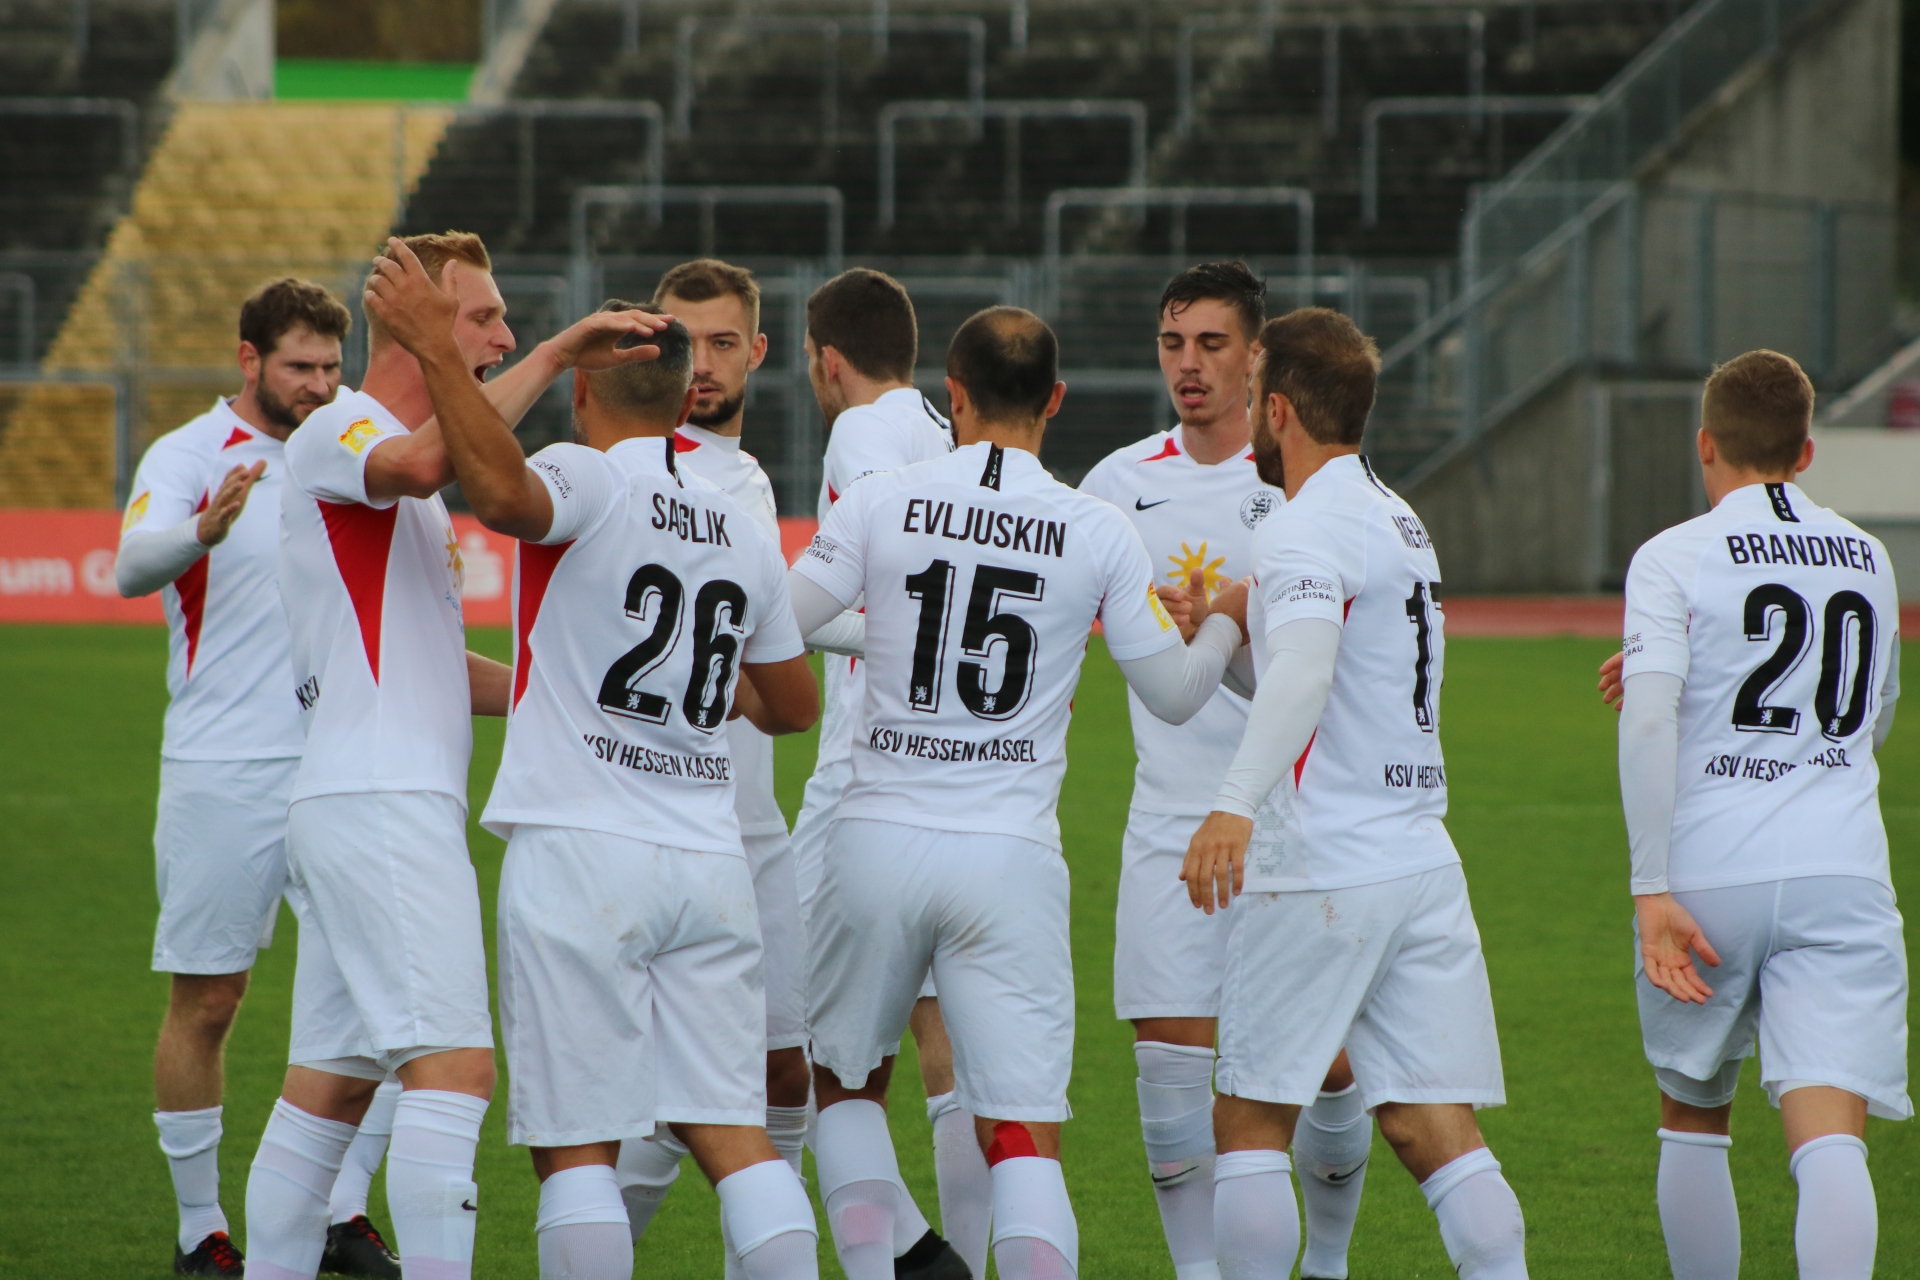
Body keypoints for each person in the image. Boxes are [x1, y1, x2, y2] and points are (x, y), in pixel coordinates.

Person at [369, 249, 824, 1280]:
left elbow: (498, 492)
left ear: (583, 393)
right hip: (708, 856)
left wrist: (438, 349)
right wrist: (705, 687)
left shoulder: (586, 472)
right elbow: (795, 707)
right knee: (734, 1133)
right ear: (682, 395)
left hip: (580, 846)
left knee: (577, 1147)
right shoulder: (741, 523)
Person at [790, 306, 1249, 1280]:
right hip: (1009, 856)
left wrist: (879, 634)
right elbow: (1175, 695)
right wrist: (1223, 625)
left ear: (951, 395)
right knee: (1024, 1136)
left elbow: (778, 623)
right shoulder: (1096, 526)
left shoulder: (881, 499)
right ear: (1056, 400)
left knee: (846, 1093)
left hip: (874, 838)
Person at [238, 232, 663, 1280]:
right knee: (455, 1071)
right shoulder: (342, 427)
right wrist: (557, 354)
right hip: (382, 800)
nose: (504, 336)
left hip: (362, 798)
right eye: (484, 317)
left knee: (329, 1087)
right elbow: (432, 458)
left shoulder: (399, 471)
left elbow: (430, 661)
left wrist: (568, 690)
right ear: (414, 322)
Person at [1183, 308, 1528, 1280]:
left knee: (1249, 1119)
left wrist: (1234, 802)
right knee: (1435, 1128)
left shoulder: (1302, 525)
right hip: (1418, 858)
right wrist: (1234, 637)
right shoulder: (1397, 517)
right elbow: (1325, 680)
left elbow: (1305, 672)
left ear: (1278, 410)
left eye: (1254, 394)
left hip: (1323, 861)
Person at [1079, 264, 1370, 1280]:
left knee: (1325, 1065)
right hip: (1169, 814)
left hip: (1291, 819)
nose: (1189, 364)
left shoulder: (1305, 484)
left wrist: (1232, 622)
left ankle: (1326, 1262)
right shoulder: (1115, 485)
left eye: (1211, 343)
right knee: (1170, 1072)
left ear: (1257, 357)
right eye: (1173, 343)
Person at [116, 277, 401, 1279]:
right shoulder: (191, 454)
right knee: (210, 998)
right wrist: (202, 530)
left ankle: (341, 1212)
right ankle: (201, 1229)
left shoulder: (355, 440)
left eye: (331, 365)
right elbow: (129, 567)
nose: (320, 385)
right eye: (299, 366)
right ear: (249, 360)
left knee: (378, 997)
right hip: (222, 766)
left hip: (341, 760)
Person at [1616, 349, 1907, 1280]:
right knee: (1830, 1137)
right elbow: (1871, 718)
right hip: (1841, 867)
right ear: (1807, 451)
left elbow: (1650, 718)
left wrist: (1650, 888)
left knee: (1693, 1116)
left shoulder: (1673, 555)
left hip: (1711, 871)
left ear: (1705, 444)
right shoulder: (1869, 555)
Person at [610, 259, 816, 1259]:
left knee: (783, 1074)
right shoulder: (633, 467)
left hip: (754, 828)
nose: (701, 364)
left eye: (722, 342)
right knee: (666, 1099)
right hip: (661, 825)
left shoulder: (747, 477)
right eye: (681, 342)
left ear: (757, 352)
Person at [786, 267, 983, 1279]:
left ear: (828, 360)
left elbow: (877, 601)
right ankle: (952, 1254)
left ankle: (903, 1248)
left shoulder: (859, 433)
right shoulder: (944, 436)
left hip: (862, 771)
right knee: (941, 1043)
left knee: (796, 1046)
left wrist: (789, 625)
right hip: (956, 771)